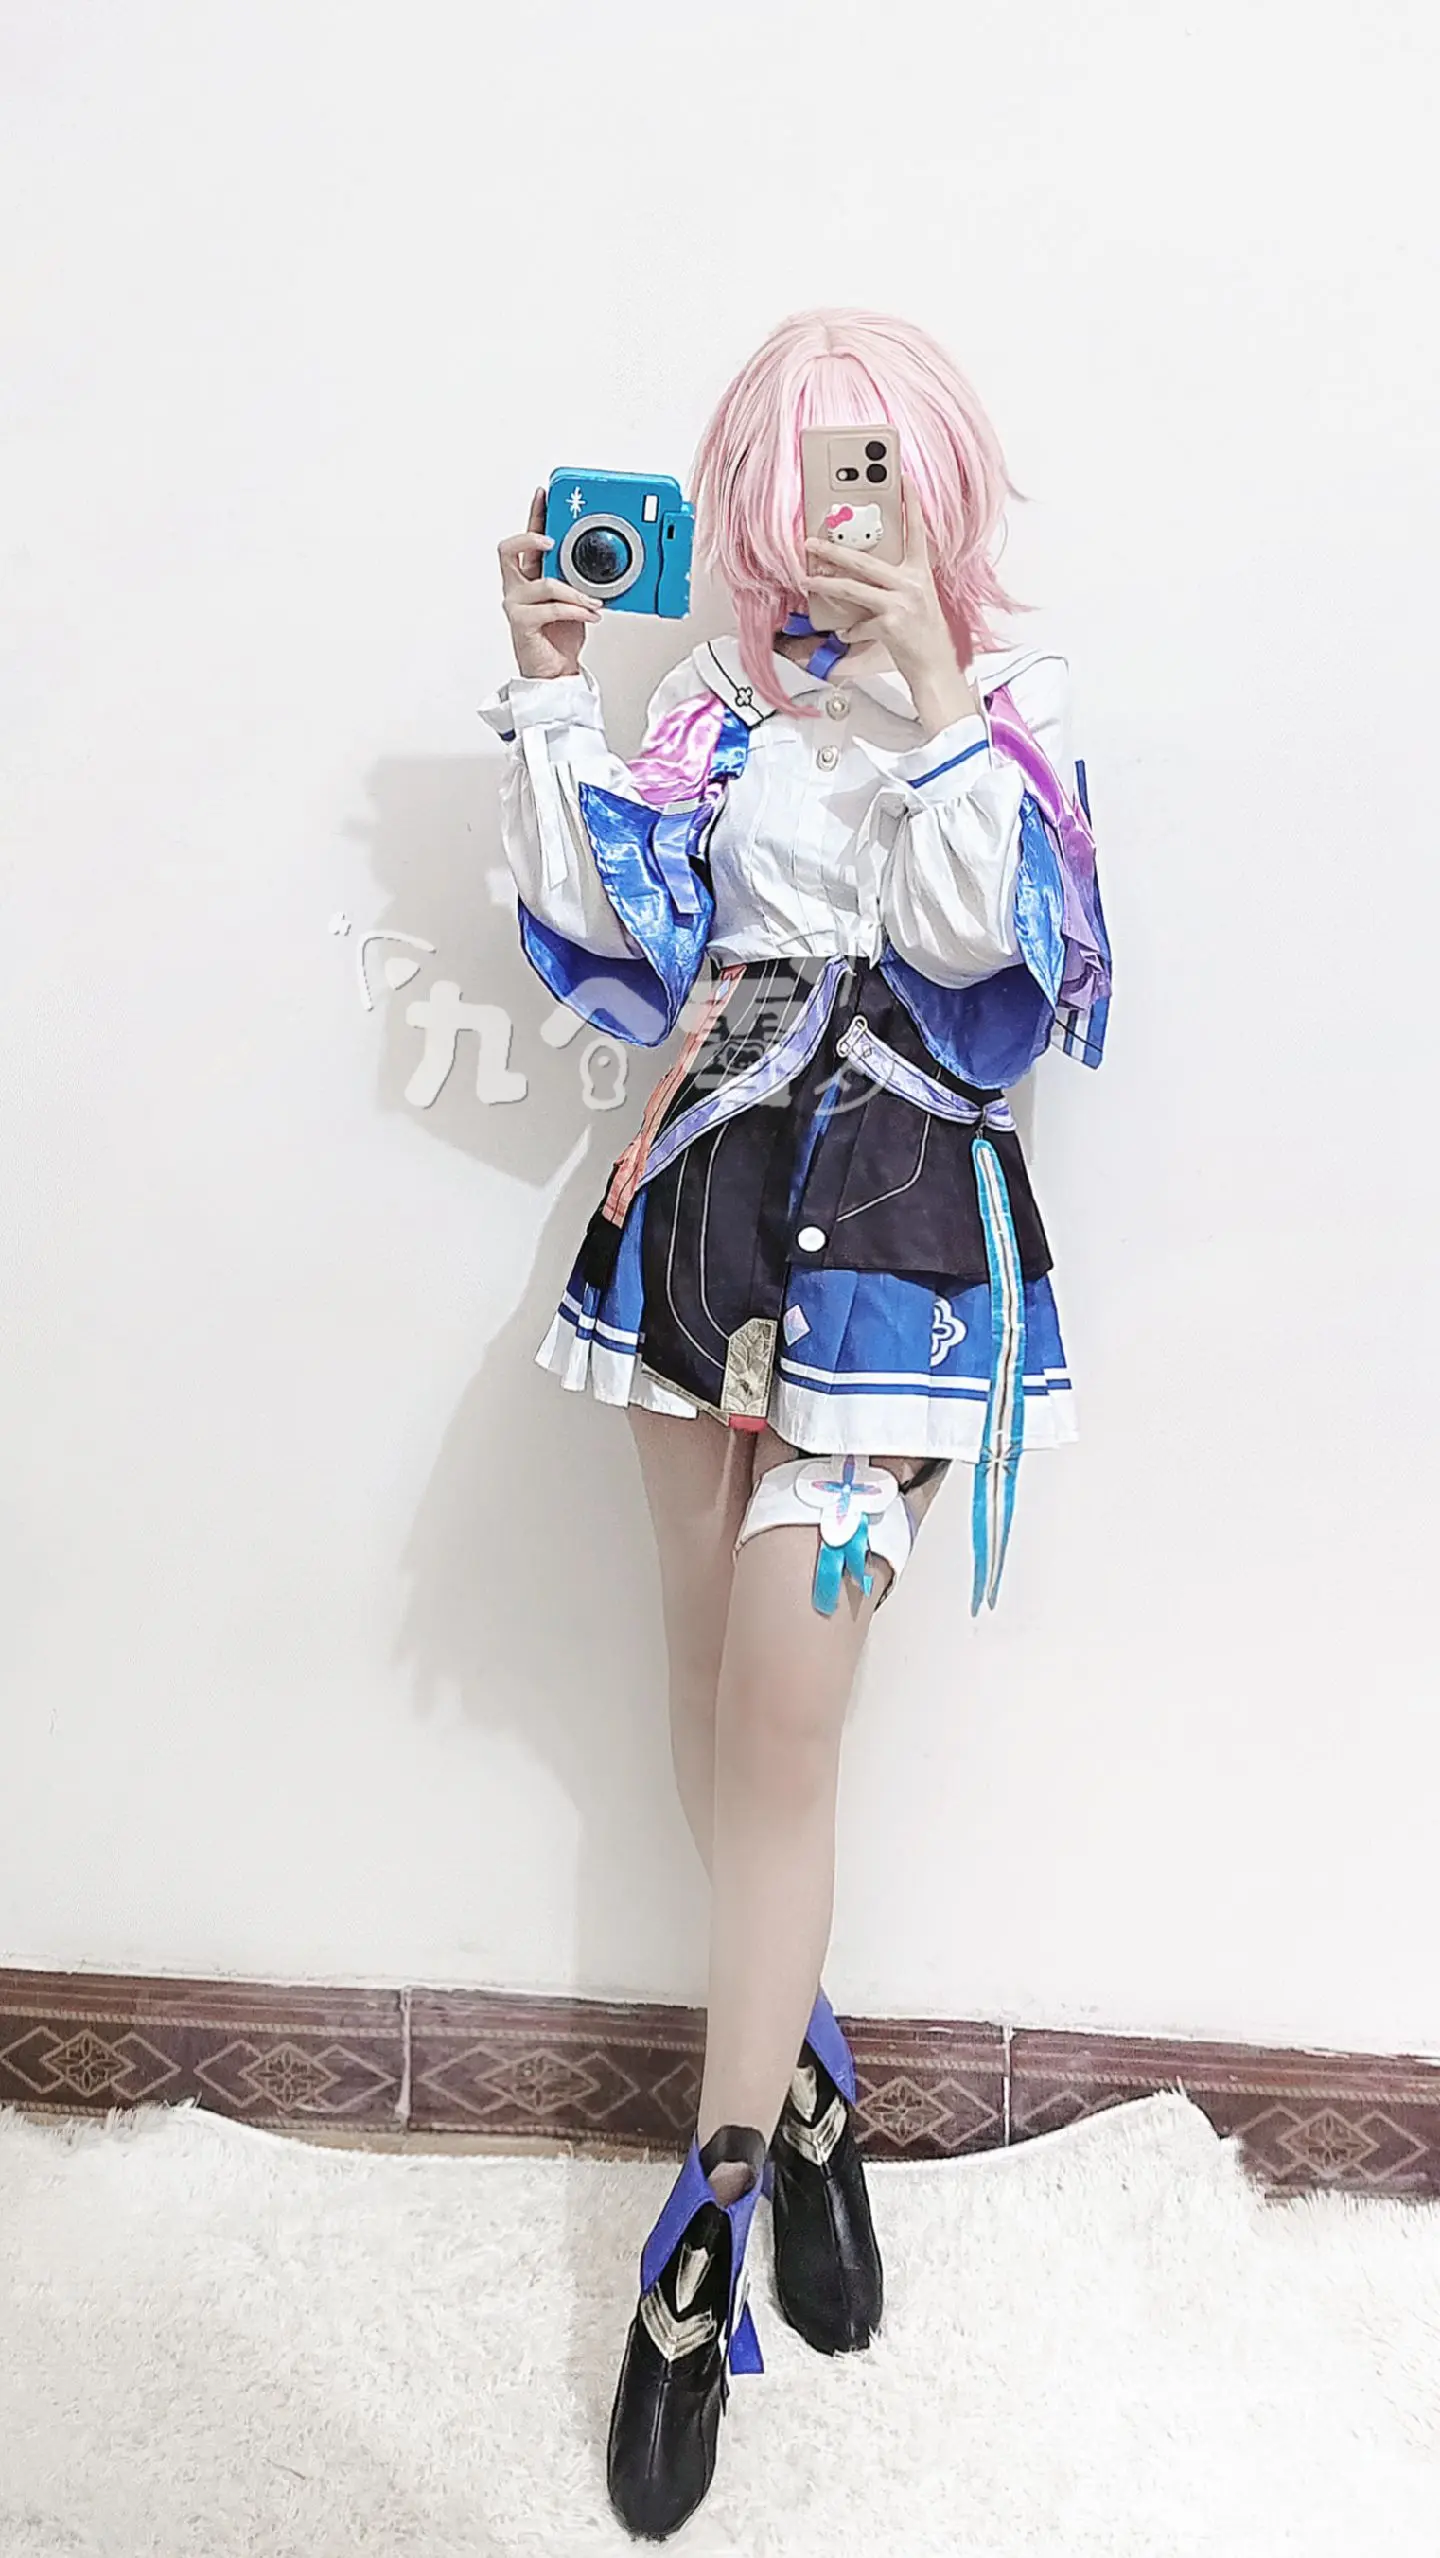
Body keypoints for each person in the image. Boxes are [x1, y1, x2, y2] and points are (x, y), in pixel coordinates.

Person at [480, 305, 1111, 2542]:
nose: (844, 514)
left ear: (936, 486)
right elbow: (629, 943)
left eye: (881, 471)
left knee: (778, 1719)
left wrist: (934, 694)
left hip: (901, 1265)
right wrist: (554, 690)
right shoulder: (719, 721)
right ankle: (815, 2086)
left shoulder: (1013, 714)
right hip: (696, 1227)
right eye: (811, 473)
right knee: (703, 1700)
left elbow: (993, 963)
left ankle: (704, 2233)